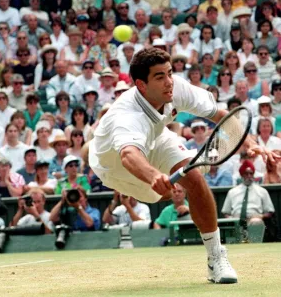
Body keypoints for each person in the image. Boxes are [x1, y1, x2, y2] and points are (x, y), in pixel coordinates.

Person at [89, 48, 280, 284]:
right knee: (165, 194)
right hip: (113, 165)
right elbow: (128, 155)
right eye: (159, 77)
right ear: (141, 84)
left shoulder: (175, 87)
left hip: (156, 139)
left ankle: (216, 257)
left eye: (169, 73)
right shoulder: (127, 116)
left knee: (195, 180)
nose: (169, 82)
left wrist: (250, 143)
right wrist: (153, 176)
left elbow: (222, 115)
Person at [222, 160, 275, 229]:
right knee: (233, 222)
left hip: (254, 220)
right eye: (246, 174)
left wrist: (260, 216)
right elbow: (225, 212)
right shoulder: (232, 192)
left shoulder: (262, 191)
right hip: (236, 220)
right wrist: (231, 218)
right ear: (241, 175)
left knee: (256, 222)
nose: (249, 176)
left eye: (251, 173)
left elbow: (270, 211)